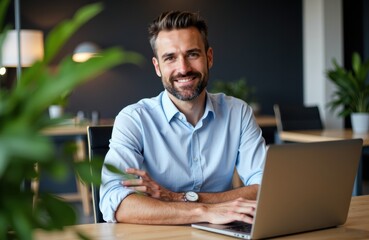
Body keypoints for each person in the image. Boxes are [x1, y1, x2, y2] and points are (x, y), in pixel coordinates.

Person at [100, 10, 266, 225]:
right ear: (157, 67)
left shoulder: (238, 112)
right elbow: (116, 203)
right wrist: (204, 211)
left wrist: (177, 198)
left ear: (209, 57)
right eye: (170, 58)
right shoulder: (134, 119)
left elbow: (265, 188)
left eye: (193, 54)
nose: (183, 68)